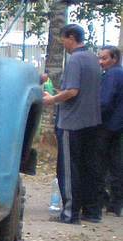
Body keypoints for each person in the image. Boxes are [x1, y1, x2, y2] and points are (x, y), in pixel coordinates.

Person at [43, 24, 104, 224]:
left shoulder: (75, 60)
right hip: (92, 121)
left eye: (64, 41)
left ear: (71, 37)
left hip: (72, 122)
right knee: (88, 167)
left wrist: (52, 99)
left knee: (68, 169)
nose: (64, 45)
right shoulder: (93, 58)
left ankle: (69, 213)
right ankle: (90, 211)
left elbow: (72, 91)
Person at [98, 45, 123, 217]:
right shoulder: (119, 73)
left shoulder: (113, 74)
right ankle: (115, 203)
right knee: (116, 165)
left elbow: (105, 101)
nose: (101, 62)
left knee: (101, 164)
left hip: (108, 125)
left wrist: (96, 118)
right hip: (117, 125)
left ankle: (105, 200)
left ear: (115, 58)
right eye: (99, 58)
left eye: (104, 58)